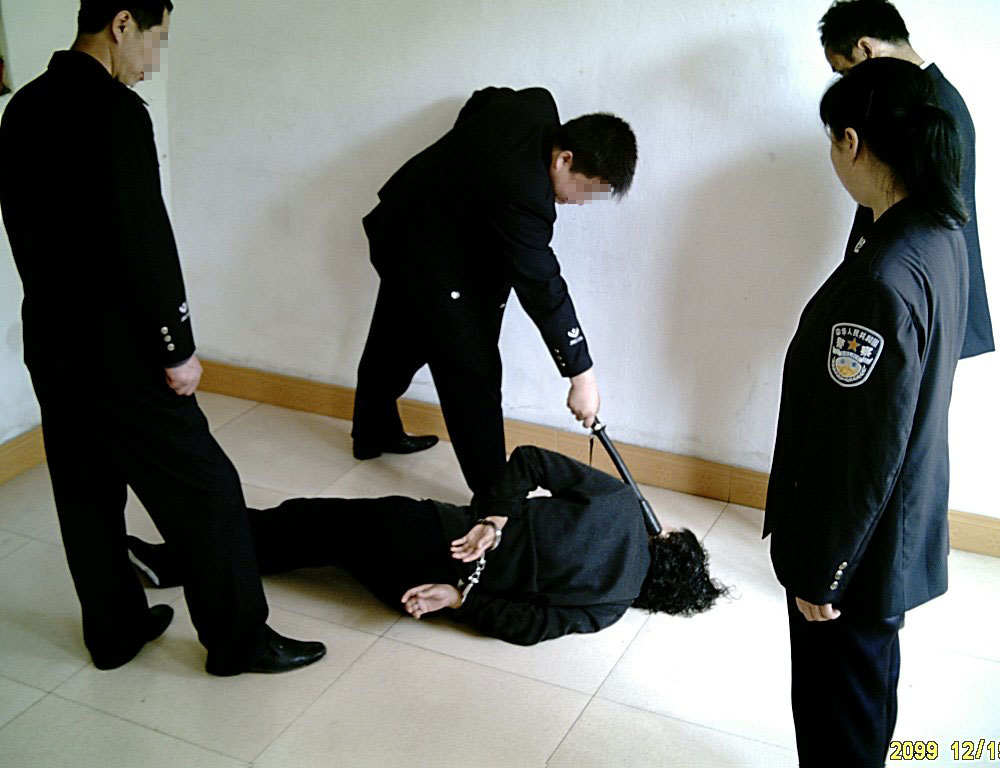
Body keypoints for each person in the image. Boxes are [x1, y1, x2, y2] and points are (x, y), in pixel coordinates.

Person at [0, 1, 324, 675]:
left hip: (53, 342)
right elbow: (145, 242)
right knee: (208, 489)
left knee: (86, 492)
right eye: (155, 40)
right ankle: (239, 642)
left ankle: (114, 631)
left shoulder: (22, 107)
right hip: (122, 353)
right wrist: (176, 345)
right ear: (122, 24)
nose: (153, 61)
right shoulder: (117, 114)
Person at [763, 58, 969, 765]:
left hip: (857, 553)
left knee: (837, 720)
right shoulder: (940, 233)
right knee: (865, 701)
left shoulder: (882, 278)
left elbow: (865, 449)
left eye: (832, 141)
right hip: (893, 534)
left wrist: (827, 569)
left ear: (851, 142)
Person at [127, 446, 727, 646]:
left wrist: (493, 519)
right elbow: (528, 626)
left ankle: (168, 559)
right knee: (315, 544)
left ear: (667, 538)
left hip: (424, 532)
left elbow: (529, 461)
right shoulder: (609, 610)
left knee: (301, 523)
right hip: (419, 592)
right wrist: (457, 600)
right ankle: (184, 562)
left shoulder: (619, 504)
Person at [351, 86, 638, 495]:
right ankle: (495, 501)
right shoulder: (525, 194)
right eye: (585, 189)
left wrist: (463, 181)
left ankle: (371, 431)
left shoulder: (537, 104)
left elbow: (483, 99)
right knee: (474, 371)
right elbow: (543, 286)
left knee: (398, 335)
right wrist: (582, 374)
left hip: (405, 223)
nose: (582, 201)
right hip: (421, 249)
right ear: (565, 159)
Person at [818, 0, 994, 358]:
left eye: (846, 72)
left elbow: (929, 219)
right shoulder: (925, 99)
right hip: (910, 292)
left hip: (911, 296)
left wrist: (878, 279)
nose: (849, 86)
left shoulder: (926, 106)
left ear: (866, 49)